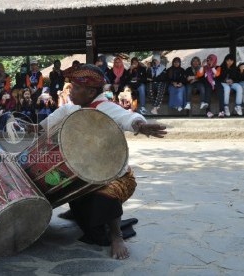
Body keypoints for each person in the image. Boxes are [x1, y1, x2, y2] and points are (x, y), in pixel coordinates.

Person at [30, 64, 166, 260]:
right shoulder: (71, 108)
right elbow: (44, 127)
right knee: (71, 193)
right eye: (72, 86)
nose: (71, 91)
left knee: (104, 196)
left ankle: (116, 234)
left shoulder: (107, 108)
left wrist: (141, 125)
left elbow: (129, 117)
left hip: (116, 178)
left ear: (91, 91)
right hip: (88, 175)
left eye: (76, 88)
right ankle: (80, 213)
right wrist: (27, 128)